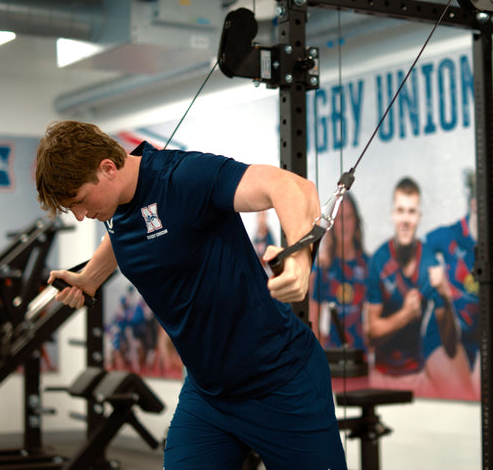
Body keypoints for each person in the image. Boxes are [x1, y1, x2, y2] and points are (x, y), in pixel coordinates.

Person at [35, 120, 346, 470]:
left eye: (79, 201)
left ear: (107, 169)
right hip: (208, 395)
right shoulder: (115, 204)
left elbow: (292, 186)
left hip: (281, 383)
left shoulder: (183, 177)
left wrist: (299, 258)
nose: (79, 216)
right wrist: (90, 277)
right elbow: (125, 231)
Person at [366, 177, 457, 395]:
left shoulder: (430, 265)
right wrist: (406, 315)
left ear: (418, 217)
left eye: (411, 211)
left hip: (416, 376)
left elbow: (451, 348)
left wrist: (446, 296)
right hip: (380, 376)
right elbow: (371, 335)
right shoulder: (379, 259)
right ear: (392, 214)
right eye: (401, 210)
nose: (405, 219)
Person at [424, 169, 480, 399]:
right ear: (474, 203)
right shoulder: (451, 235)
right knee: (463, 393)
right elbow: (423, 246)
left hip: (475, 342)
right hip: (442, 337)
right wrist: (437, 285)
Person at [310, 193, 369, 352]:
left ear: (356, 221)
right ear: (331, 223)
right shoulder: (323, 267)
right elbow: (313, 320)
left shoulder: (367, 264)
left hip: (360, 356)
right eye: (339, 219)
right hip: (333, 355)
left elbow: (373, 318)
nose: (344, 224)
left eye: (349, 217)